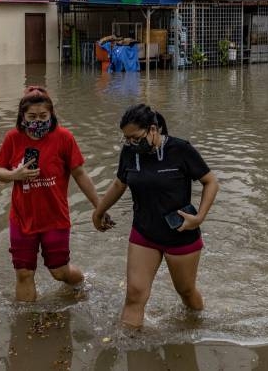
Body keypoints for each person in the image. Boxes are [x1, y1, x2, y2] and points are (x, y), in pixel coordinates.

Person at [92, 104, 219, 329]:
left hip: (180, 234)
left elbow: (210, 182)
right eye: (126, 139)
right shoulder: (130, 153)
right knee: (134, 295)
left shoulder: (180, 150)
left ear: (153, 129)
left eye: (135, 137)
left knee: (186, 292)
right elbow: (119, 183)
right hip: (144, 232)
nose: (130, 143)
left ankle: (199, 328)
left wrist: (199, 218)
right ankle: (130, 346)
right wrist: (99, 211)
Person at [0, 86, 103, 302]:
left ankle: (83, 284)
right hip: (22, 218)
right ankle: (26, 326)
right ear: (22, 116)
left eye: (43, 116)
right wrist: (15, 175)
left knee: (59, 272)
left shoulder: (64, 137)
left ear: (52, 114)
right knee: (24, 273)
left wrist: (100, 207)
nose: (38, 121)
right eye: (32, 116)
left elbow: (80, 173)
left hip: (55, 218)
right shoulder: (13, 138)